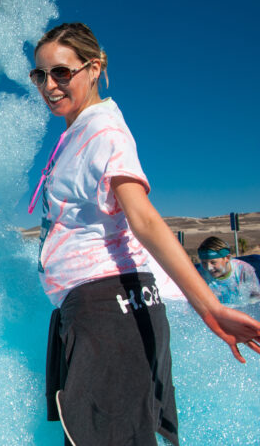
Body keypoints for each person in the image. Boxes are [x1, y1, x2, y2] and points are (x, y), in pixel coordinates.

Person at [28, 23, 260, 445]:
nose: (49, 85)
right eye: (39, 75)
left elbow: (146, 220)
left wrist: (210, 308)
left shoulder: (104, 132)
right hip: (95, 307)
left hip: (108, 308)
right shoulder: (77, 132)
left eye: (61, 72)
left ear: (93, 68)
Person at [198, 236, 260, 306]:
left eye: (213, 262)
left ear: (227, 258)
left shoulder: (244, 270)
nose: (209, 268)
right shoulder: (200, 275)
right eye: (204, 263)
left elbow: (256, 299)